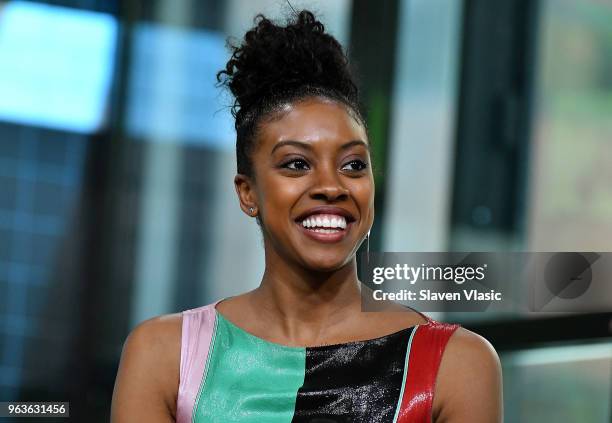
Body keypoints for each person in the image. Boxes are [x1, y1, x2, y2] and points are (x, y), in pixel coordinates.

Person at [111, 10, 502, 423]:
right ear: (248, 193)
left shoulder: (454, 364)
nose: (332, 187)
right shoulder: (165, 355)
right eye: (296, 164)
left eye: (353, 165)